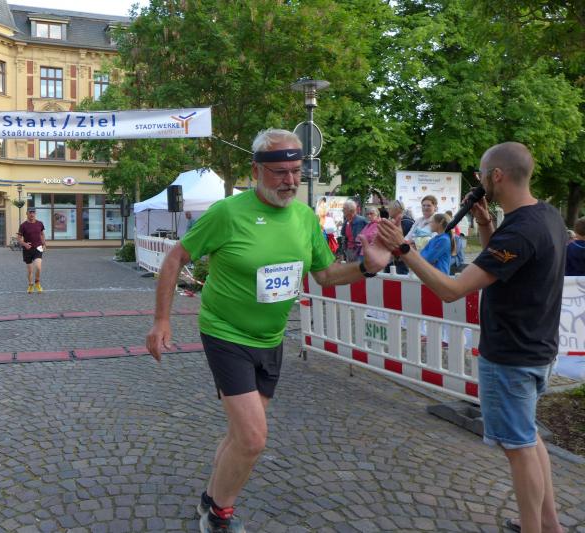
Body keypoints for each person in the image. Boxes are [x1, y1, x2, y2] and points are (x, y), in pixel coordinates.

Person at [145, 129, 392, 533]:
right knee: (253, 437)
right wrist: (162, 319)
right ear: (256, 170)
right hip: (226, 333)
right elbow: (175, 258)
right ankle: (219, 516)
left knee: (240, 434)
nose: (290, 181)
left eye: (296, 172)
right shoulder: (228, 213)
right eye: (279, 172)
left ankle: (209, 497)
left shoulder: (304, 217)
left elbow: (326, 274)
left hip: (271, 339)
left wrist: (368, 267)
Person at [378, 142, 567, 533]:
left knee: (518, 448)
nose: (478, 181)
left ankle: (535, 529)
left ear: (496, 176)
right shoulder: (545, 215)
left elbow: (451, 289)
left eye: (481, 173)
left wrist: (404, 250)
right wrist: (484, 226)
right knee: (529, 438)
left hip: (511, 354)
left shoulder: (519, 231)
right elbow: (513, 264)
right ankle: (549, 524)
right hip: (538, 348)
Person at [18, 207, 46, 293]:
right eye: (30, 212)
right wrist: (25, 244)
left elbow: (42, 234)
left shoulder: (40, 224)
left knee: (38, 267)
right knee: (30, 270)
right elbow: (19, 238)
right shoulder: (23, 225)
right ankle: (30, 285)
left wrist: (44, 244)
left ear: (35, 213)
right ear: (27, 213)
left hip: (38, 248)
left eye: (33, 212)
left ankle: (37, 282)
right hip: (28, 250)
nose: (32, 214)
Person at [387, 200, 413, 274]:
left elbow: (405, 241)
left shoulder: (407, 222)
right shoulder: (392, 221)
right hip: (391, 257)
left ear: (397, 209)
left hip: (402, 259)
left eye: (390, 208)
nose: (388, 210)